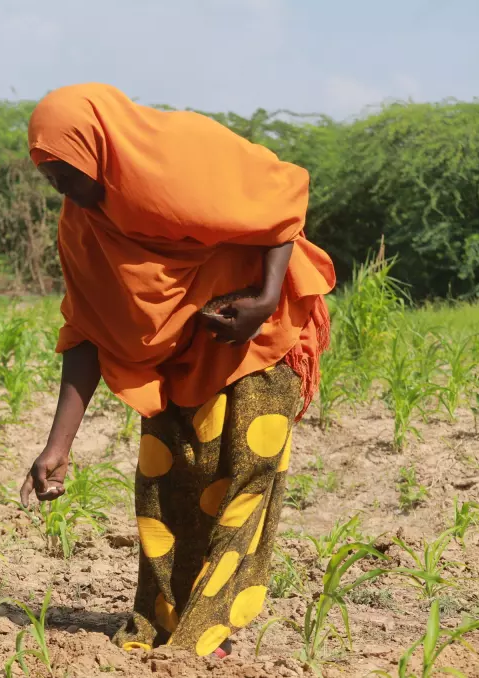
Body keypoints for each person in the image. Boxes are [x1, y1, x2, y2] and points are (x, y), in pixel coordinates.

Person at [19, 84, 335, 658]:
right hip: (179, 359)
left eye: (68, 172)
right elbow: (87, 329)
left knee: (246, 481)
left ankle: (205, 636)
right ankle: (166, 622)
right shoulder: (84, 224)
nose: (63, 190)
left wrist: (265, 298)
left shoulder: (183, 154)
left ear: (99, 148)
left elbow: (282, 195)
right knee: (168, 491)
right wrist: (57, 445)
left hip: (258, 337)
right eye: (51, 179)